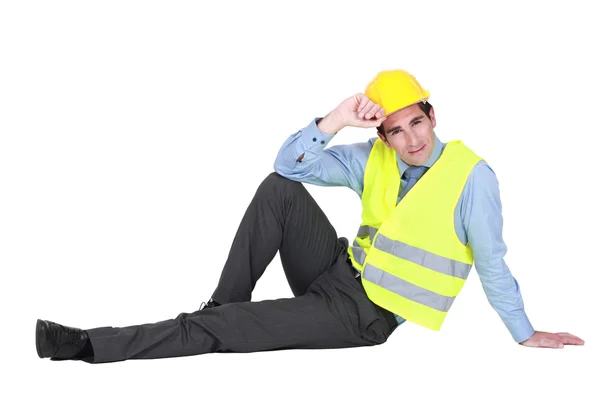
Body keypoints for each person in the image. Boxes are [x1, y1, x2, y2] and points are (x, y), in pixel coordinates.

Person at [36, 69, 584, 364]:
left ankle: (90, 344)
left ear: (432, 114)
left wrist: (524, 332)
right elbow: (287, 166)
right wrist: (335, 117)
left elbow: (492, 261)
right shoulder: (374, 158)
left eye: (417, 123)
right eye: (396, 129)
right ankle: (222, 310)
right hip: (337, 271)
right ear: (383, 135)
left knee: (224, 331)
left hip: (364, 315)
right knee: (279, 190)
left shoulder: (473, 177)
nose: (411, 139)